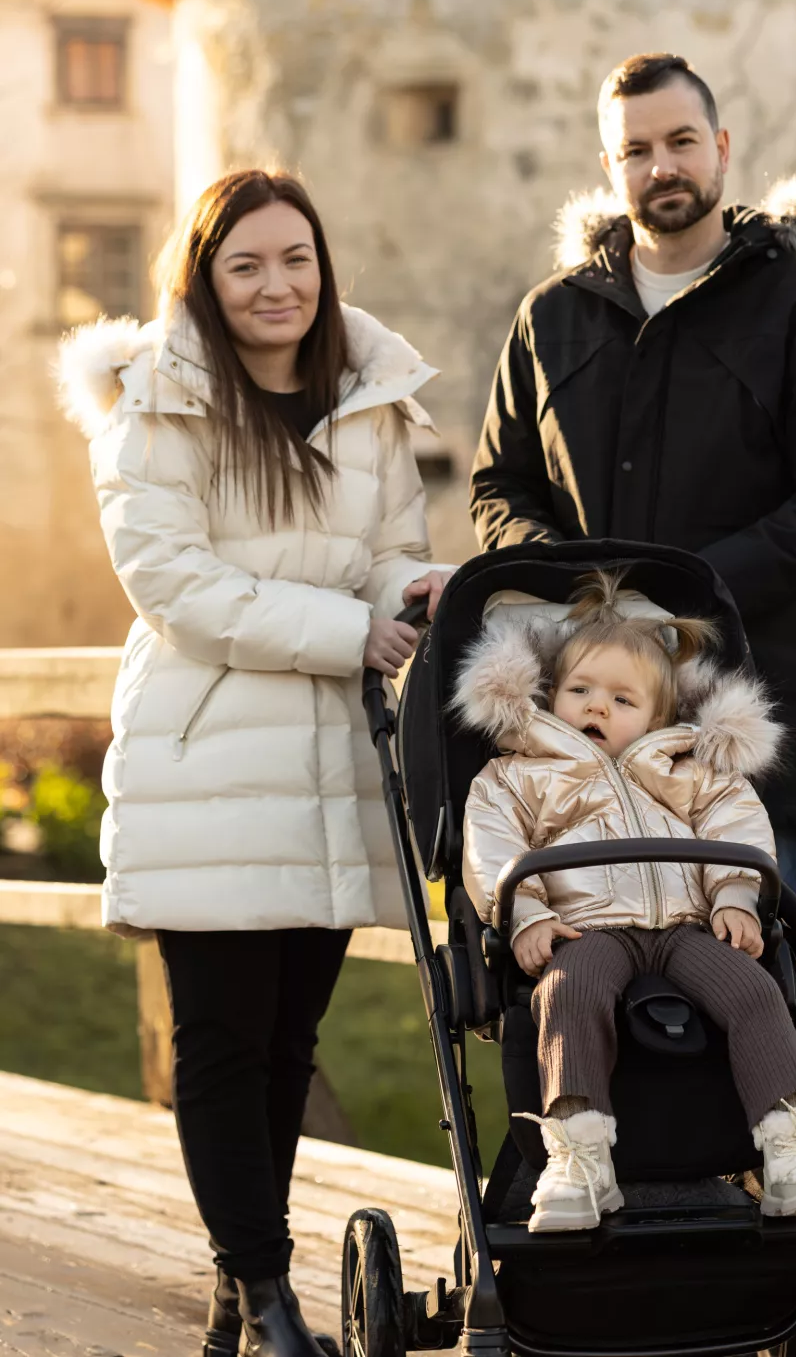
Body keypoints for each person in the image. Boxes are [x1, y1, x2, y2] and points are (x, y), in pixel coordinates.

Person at [57, 170, 450, 1357]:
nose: (276, 284)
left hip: (332, 763)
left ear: (322, 268)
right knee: (222, 1039)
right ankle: (264, 1287)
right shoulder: (158, 404)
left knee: (288, 1039)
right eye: (246, 265)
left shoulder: (370, 395)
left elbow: (386, 551)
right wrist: (348, 629)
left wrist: (413, 593)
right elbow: (172, 584)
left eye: (295, 259)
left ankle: (243, 1282)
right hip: (210, 757)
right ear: (205, 278)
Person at [469, 52, 796, 893]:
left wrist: (683, 593)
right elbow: (497, 489)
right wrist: (587, 592)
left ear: (722, 148)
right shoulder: (549, 317)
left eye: (681, 140)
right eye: (636, 149)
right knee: (580, 990)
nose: (661, 165)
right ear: (610, 166)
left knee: (741, 997)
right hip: (576, 732)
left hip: (738, 728)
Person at [455, 572, 796, 1233]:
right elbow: (492, 850)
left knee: (754, 991)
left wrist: (733, 898)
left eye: (621, 698)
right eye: (580, 691)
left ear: (662, 715)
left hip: (688, 928)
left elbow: (740, 831)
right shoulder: (517, 773)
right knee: (566, 997)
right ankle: (577, 1159)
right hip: (584, 930)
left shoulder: (689, 769)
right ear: (551, 696)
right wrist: (527, 914)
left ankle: (793, 1148)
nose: (597, 708)